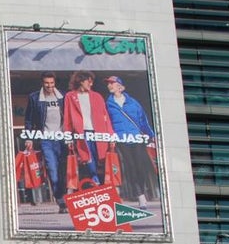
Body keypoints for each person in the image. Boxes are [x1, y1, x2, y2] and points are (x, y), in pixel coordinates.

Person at [104, 75, 158, 208]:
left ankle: (142, 190)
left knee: (140, 166)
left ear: (120, 87)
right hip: (121, 139)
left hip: (137, 138)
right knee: (130, 167)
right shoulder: (108, 104)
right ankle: (140, 196)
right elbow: (107, 123)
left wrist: (151, 135)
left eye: (112, 83)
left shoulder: (133, 103)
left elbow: (142, 119)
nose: (109, 85)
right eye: (108, 83)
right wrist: (110, 137)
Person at [23, 71, 68, 211]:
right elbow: (29, 119)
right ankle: (61, 201)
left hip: (63, 139)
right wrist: (29, 137)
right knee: (52, 170)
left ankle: (66, 197)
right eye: (47, 83)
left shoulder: (63, 96)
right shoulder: (35, 97)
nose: (49, 86)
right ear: (42, 83)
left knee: (64, 171)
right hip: (46, 140)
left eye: (52, 83)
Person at [63, 70, 114, 191]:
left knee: (98, 158)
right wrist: (68, 136)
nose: (91, 84)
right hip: (82, 132)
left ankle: (96, 182)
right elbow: (67, 117)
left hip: (98, 132)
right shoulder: (70, 96)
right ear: (81, 81)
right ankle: (95, 179)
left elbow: (105, 116)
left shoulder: (97, 96)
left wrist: (111, 136)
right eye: (89, 81)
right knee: (87, 156)